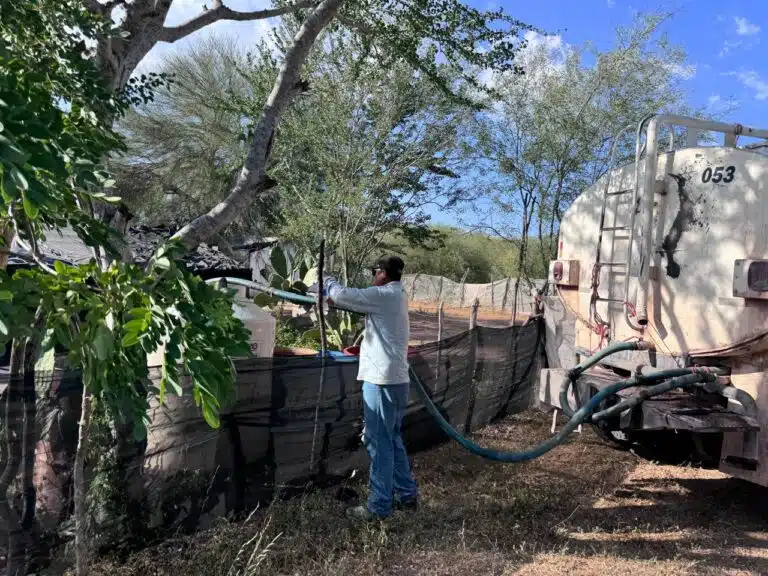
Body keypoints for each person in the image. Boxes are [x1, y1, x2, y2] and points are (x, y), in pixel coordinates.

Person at [322, 255, 419, 520]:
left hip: (381, 381)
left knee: (378, 444)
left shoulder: (383, 294)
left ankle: (379, 507)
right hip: (397, 381)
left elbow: (343, 295)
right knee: (392, 438)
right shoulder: (395, 296)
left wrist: (326, 281)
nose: (372, 275)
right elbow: (357, 305)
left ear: (383, 273)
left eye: (374, 271)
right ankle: (406, 495)